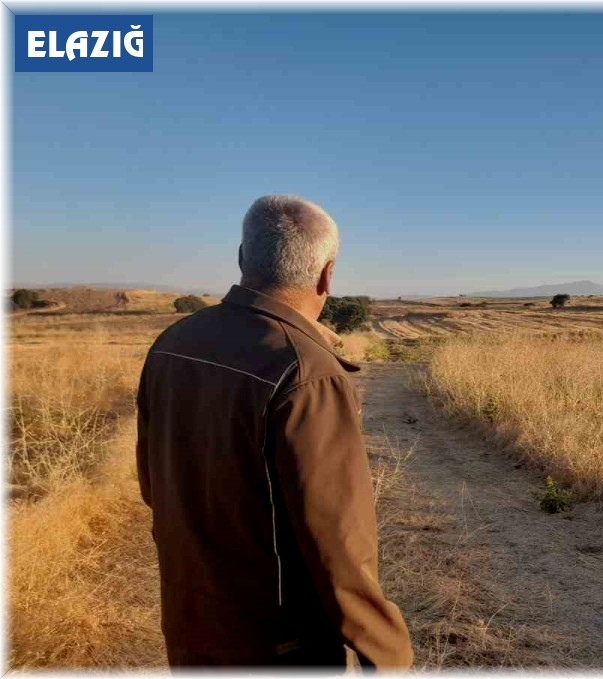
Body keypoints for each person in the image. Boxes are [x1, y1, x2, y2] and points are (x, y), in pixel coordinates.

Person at [135, 195, 414, 668]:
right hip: (276, 642)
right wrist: (387, 656)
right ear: (327, 274)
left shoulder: (174, 342)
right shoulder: (308, 371)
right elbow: (339, 546)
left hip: (190, 620)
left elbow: (152, 483)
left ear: (243, 258)